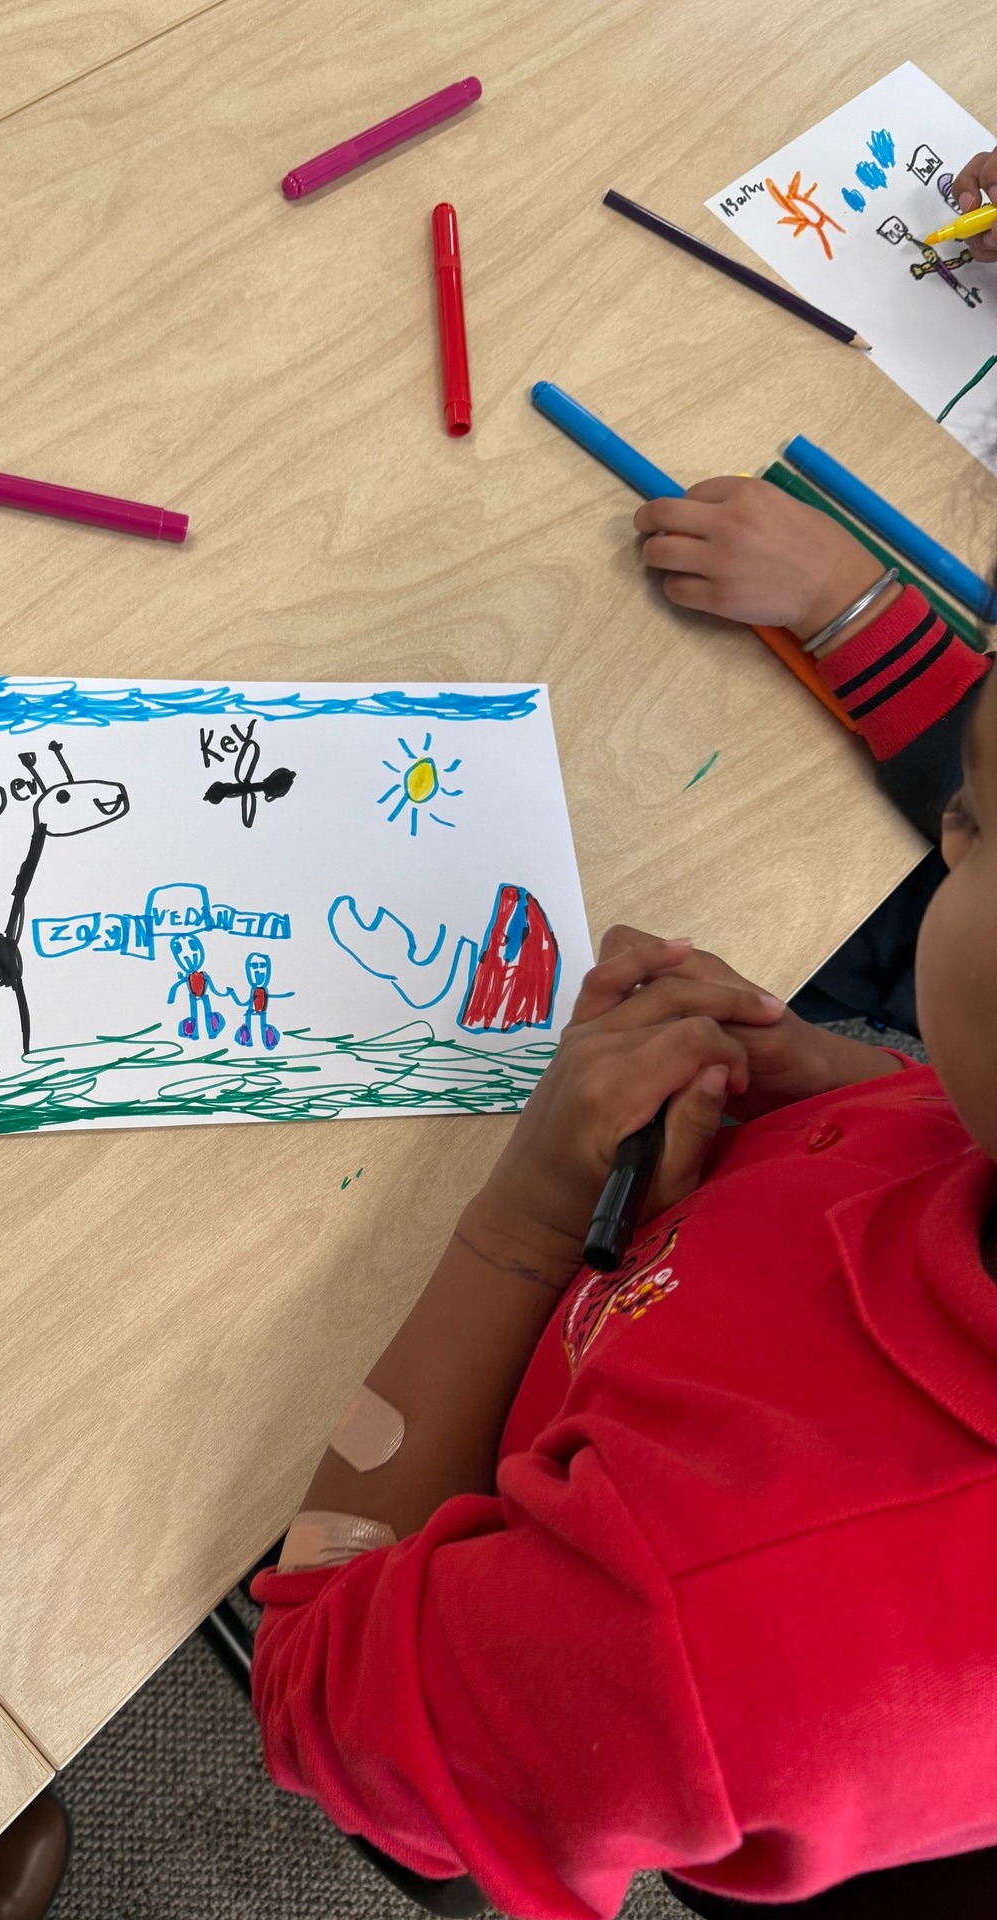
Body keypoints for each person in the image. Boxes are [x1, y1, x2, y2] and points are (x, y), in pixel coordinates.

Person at [250, 157, 997, 1920]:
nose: (945, 832)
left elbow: (323, 1697)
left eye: (968, 826)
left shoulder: (709, 1625)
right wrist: (882, 1096)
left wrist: (523, 1223)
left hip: (520, 1585)